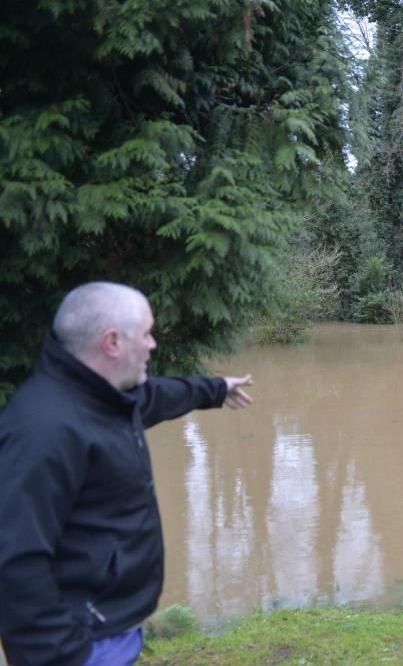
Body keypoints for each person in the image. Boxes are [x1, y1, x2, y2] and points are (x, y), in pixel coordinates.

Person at [0, 282, 254, 666]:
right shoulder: (42, 430)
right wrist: (64, 654)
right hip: (78, 644)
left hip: (110, 628)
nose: (153, 344)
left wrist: (214, 389)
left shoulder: (103, 397)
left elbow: (156, 397)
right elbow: (16, 562)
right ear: (112, 342)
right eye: (147, 333)